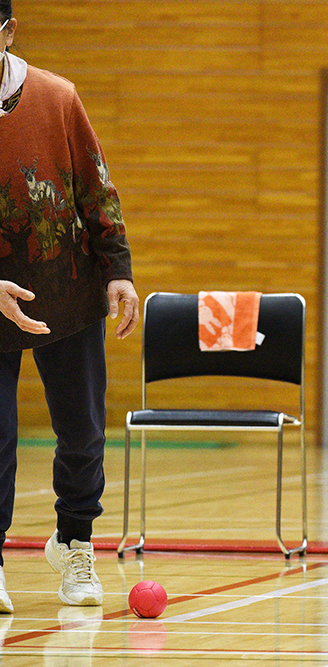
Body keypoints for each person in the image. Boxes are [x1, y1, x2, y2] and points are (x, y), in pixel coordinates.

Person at [0, 3, 139, 612]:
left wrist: (118, 273)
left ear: (6, 31)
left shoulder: (57, 97)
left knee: (81, 432)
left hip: (68, 295)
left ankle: (76, 543)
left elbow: (96, 188)